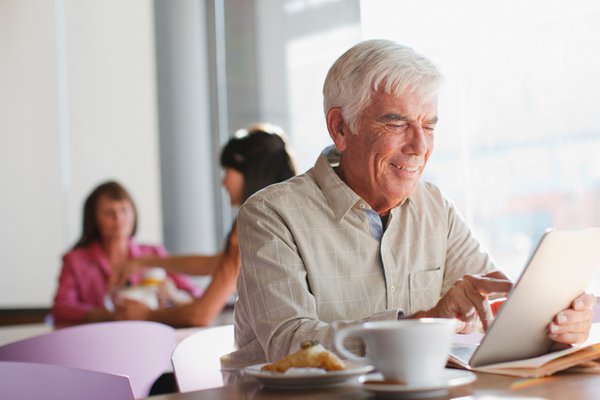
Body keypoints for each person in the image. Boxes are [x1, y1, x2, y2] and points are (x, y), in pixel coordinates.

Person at [223, 40, 595, 369]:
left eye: (429, 126)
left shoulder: (434, 206)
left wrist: (551, 324)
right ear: (340, 128)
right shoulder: (271, 214)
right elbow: (290, 346)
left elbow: (492, 307)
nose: (419, 146)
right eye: (397, 123)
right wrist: (422, 323)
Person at [114, 123, 297, 326]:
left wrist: (145, 314)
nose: (224, 182)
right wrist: (146, 262)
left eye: (228, 170)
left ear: (250, 172)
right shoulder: (282, 216)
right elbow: (217, 263)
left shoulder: (252, 227)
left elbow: (200, 315)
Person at [51, 181, 199, 326]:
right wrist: (112, 315)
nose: (119, 218)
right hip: (97, 340)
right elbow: (61, 308)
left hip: (152, 335)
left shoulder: (154, 254)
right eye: (109, 212)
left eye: (124, 210)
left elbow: (197, 297)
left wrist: (174, 296)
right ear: (93, 219)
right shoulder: (75, 260)